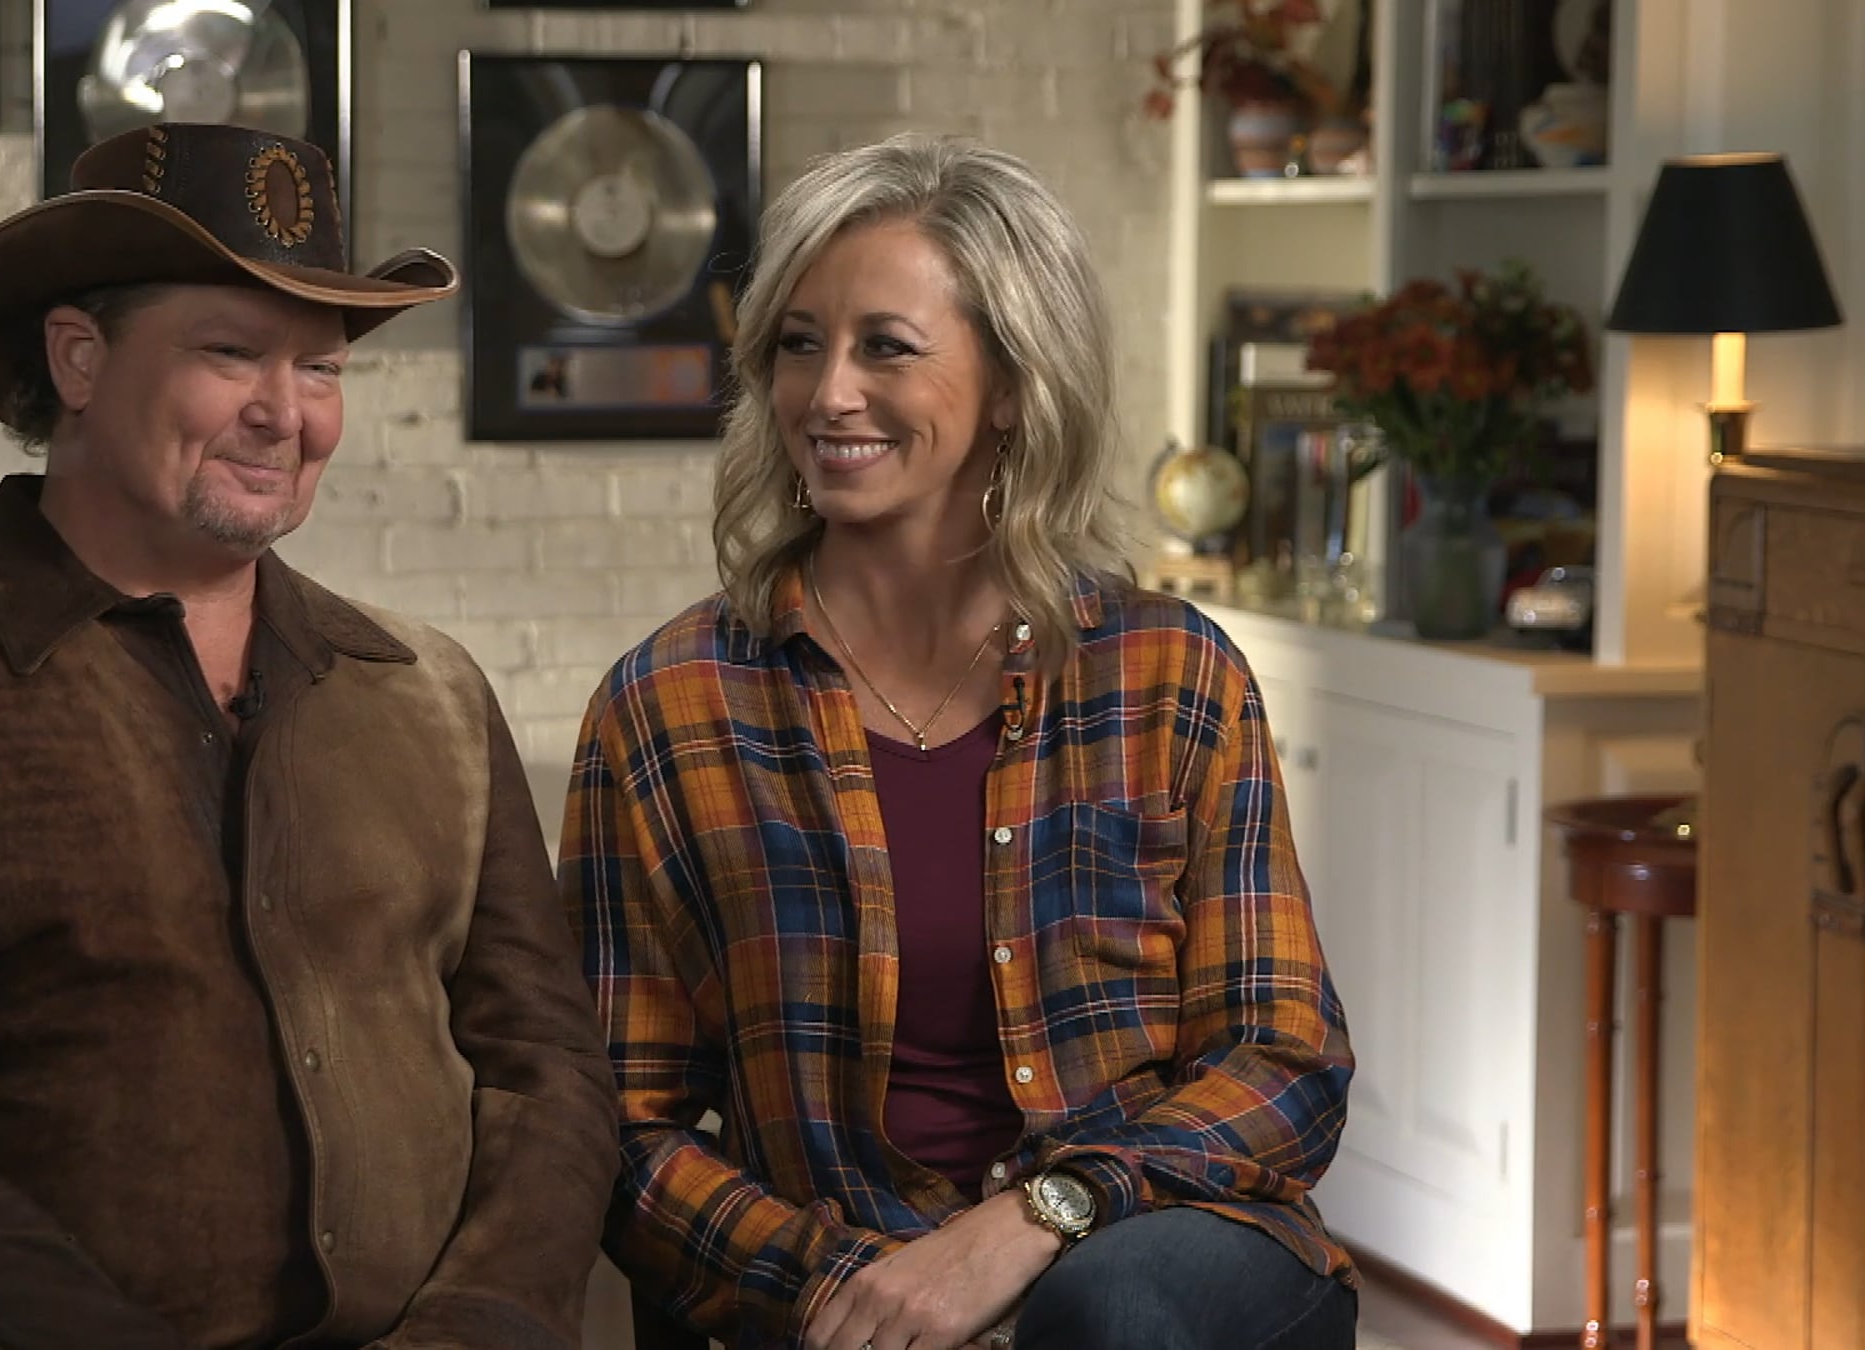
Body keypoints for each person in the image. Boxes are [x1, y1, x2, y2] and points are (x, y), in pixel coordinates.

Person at [0, 122, 618, 1350]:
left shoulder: (430, 694)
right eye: (231, 352)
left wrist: (478, 1327)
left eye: (322, 368)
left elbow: (548, 1072)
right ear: (79, 358)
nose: (285, 414)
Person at [560, 132, 1357, 1350]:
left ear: (1015, 384)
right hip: (842, 1281)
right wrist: (846, 1287)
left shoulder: (1172, 676)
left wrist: (1041, 1219)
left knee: (1115, 1308)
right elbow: (623, 1127)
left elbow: (1284, 1059)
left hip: (1146, 1257)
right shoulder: (669, 707)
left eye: (886, 346)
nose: (828, 394)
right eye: (798, 344)